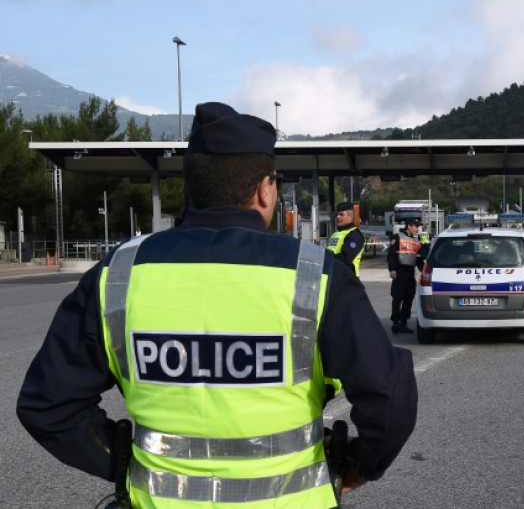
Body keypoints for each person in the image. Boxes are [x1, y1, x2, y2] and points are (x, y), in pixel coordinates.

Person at [17, 102, 418, 509]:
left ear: (193, 187)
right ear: (265, 188)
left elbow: (48, 405)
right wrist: (360, 465)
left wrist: (123, 460)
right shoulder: (315, 275)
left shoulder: (117, 274)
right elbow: (389, 396)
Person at [388, 217, 425, 334]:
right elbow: (391, 255)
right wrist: (392, 269)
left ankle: (403, 322)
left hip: (410, 272)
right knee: (397, 297)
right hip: (400, 271)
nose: (417, 229)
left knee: (409, 298)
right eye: (416, 226)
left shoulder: (416, 241)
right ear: (409, 226)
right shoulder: (398, 237)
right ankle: (395, 323)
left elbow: (418, 259)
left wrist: (424, 270)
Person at [328, 201, 365, 276]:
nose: (338, 217)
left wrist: (325, 258)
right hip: (335, 276)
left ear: (350, 217)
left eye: (341, 214)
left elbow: (346, 259)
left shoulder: (354, 235)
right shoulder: (336, 233)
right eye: (337, 214)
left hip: (347, 280)